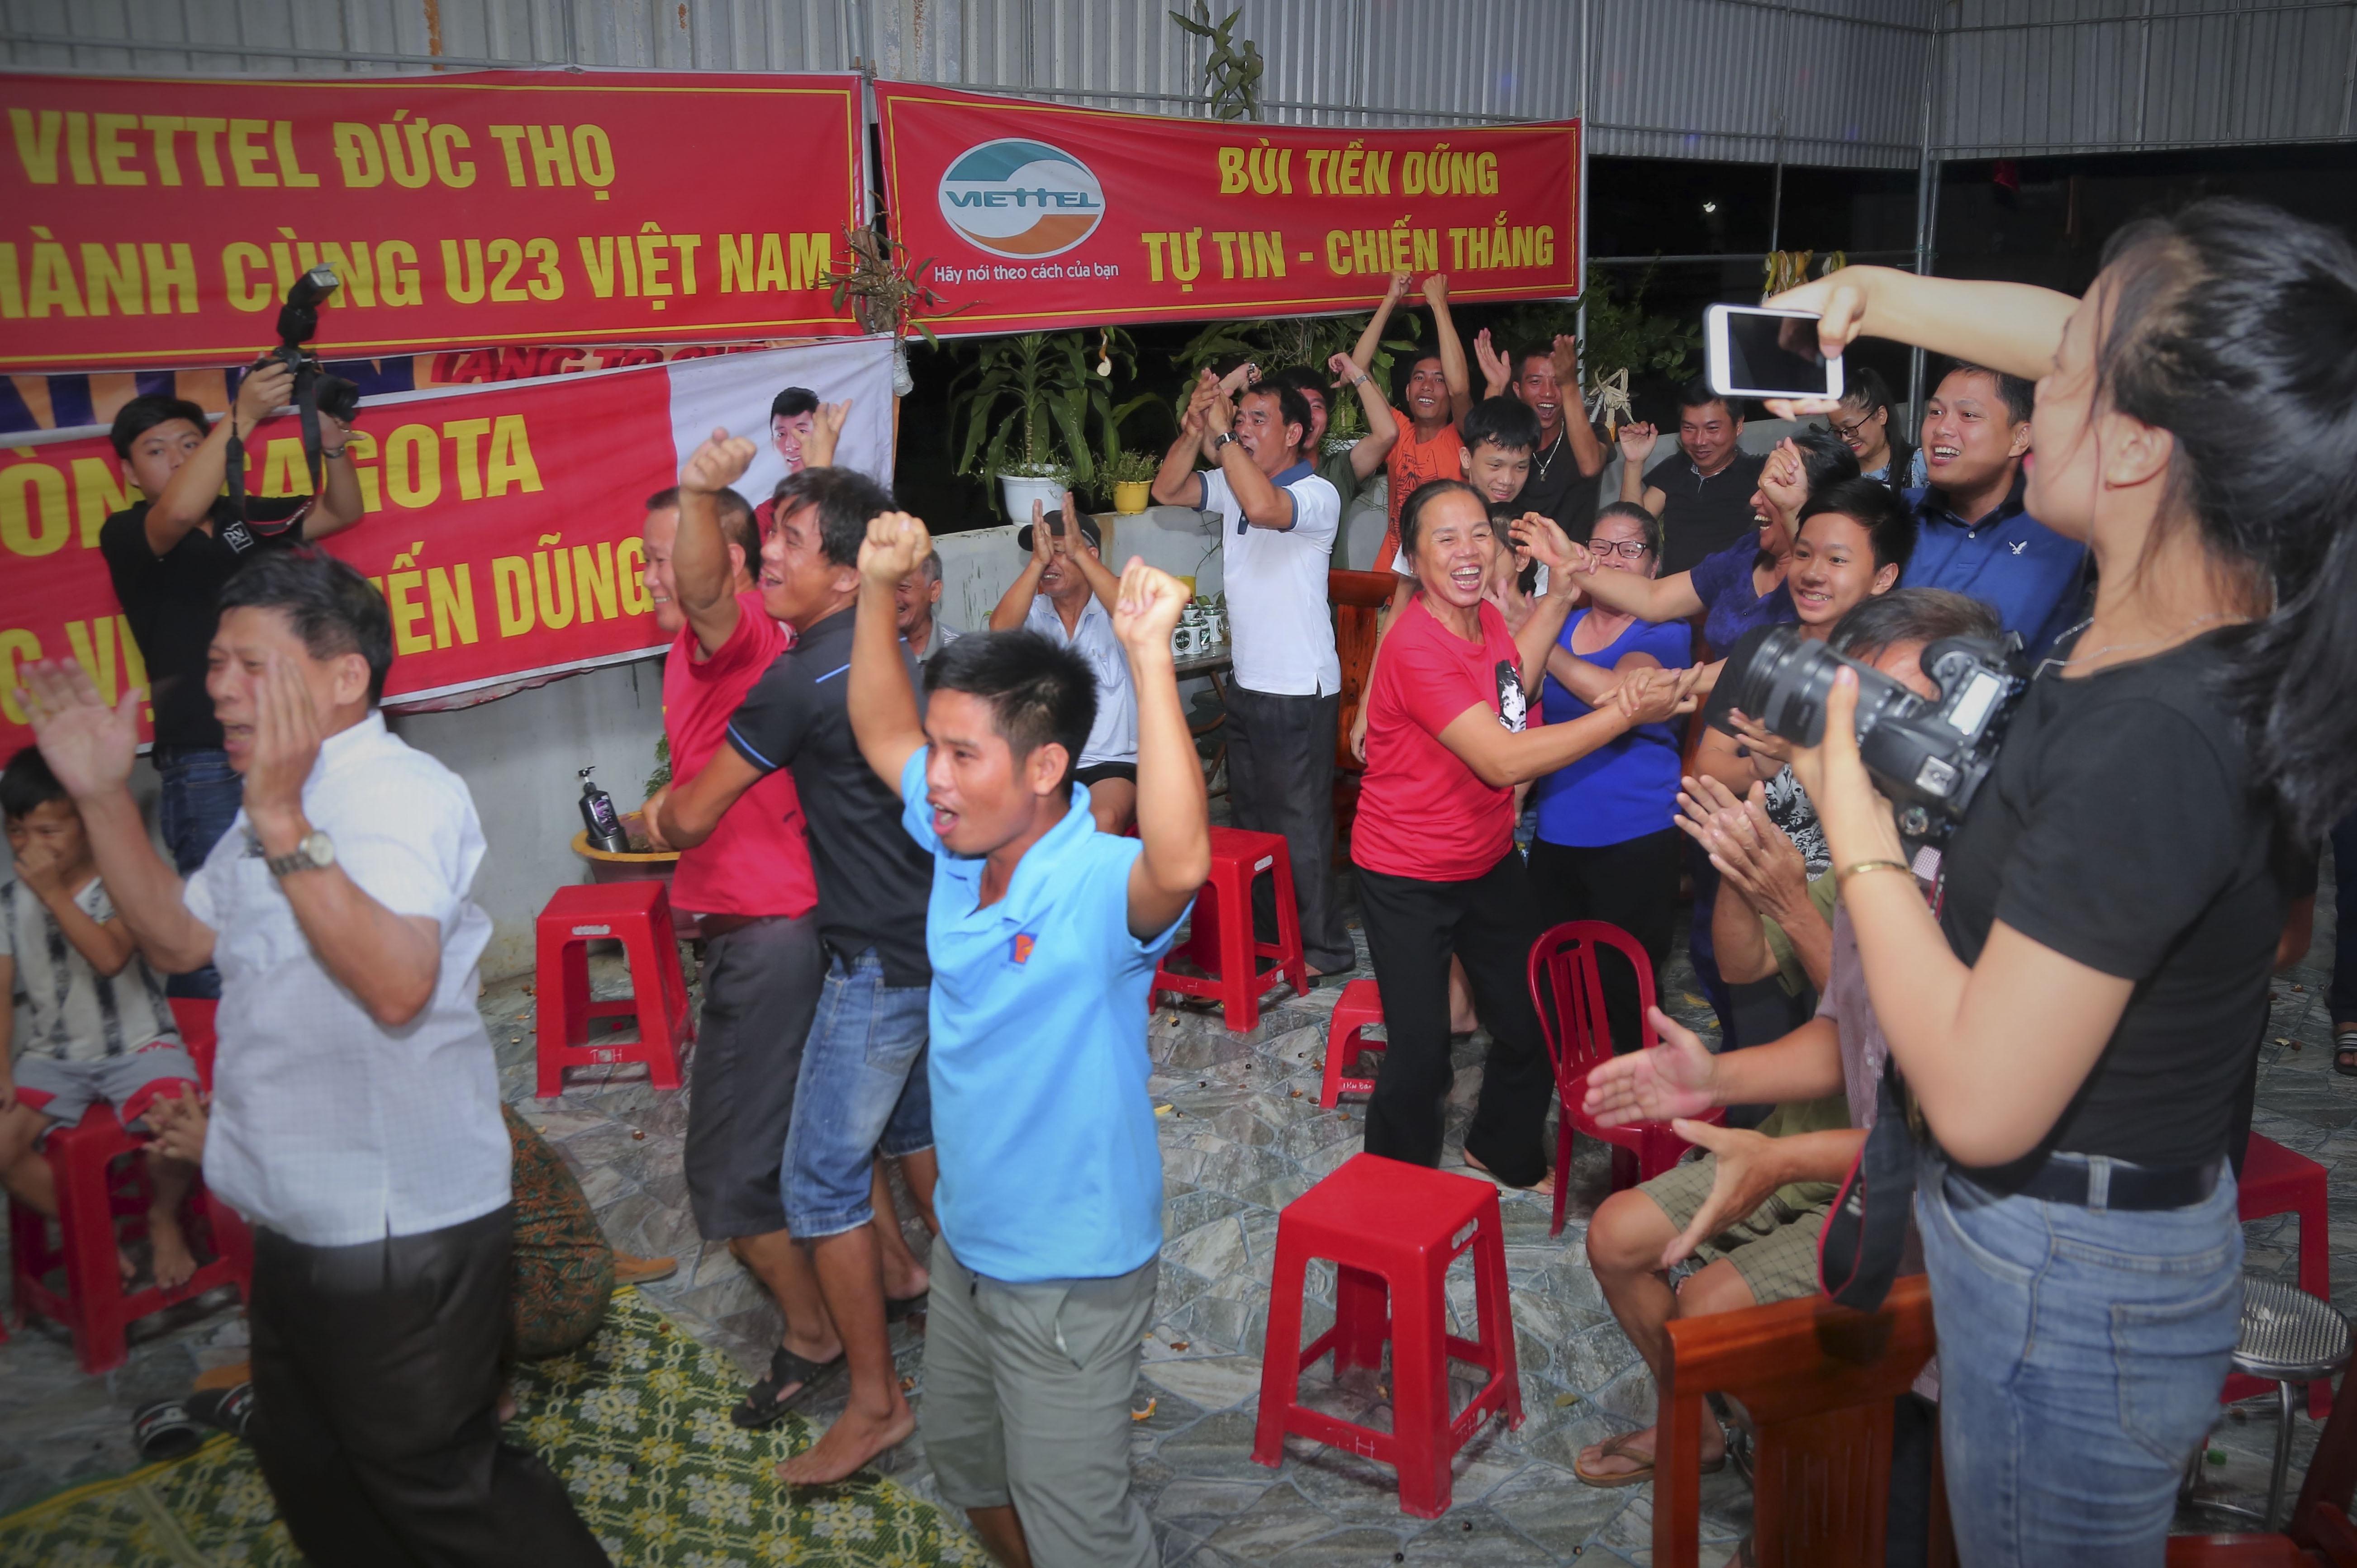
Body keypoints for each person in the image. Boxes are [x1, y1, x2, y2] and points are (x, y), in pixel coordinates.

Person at [1753, 200, 2357, 1563]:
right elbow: (2077, 342)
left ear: (2140, 442)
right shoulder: (2216, 606)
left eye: (2062, 376)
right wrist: (1880, 289)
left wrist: (1843, 804)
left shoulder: (2149, 727)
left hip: (2066, 1291)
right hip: (2080, 1254)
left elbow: (1975, 1096)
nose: (2029, 392)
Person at [15, 550, 606, 1564]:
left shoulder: (395, 791)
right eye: (212, 664)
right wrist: (106, 798)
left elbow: (395, 982)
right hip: (297, 1207)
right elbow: (179, 940)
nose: (218, 688)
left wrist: (287, 822)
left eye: (249, 663)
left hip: (397, 1225)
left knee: (437, 1482)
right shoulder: (273, 798)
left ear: (345, 677)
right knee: (310, 1458)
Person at [1572, 592, 1997, 1556]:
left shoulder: (1984, 878)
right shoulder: (1877, 854)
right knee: (1618, 1234)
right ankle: (1752, 1445)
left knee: (1720, 1323)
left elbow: (1949, 1128)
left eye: (1902, 702)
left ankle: (1788, 1466)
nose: (1871, 729)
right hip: (1849, 1152)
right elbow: (1841, 1033)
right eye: (1859, 701)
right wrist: (1707, 1075)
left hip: (1928, 1212)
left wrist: (1779, 1157)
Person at [844, 509, 1207, 1568]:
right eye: (941, 750)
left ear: (1046, 767)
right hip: (969, 1243)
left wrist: (1149, 662)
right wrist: (873, 589)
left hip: (1069, 1271)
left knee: (1082, 1528)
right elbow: (879, 729)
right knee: (969, 1466)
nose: (937, 776)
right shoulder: (963, 841)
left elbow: (1179, 865)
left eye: (963, 753)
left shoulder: (1089, 878)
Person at [657, 464, 933, 1485]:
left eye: (790, 539)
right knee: (915, 1142)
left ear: (847, 571)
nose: (769, 552)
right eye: (770, 533)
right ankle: (996, 1331)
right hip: (918, 941)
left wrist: (654, 817)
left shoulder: (794, 677)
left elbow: (691, 815)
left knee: (818, 1185)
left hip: (870, 959)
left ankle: (875, 1405)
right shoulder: (885, 651)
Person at [1350, 480, 1694, 1189]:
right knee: (1420, 1056)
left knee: (1534, 1015)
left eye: (1478, 532)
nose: (1467, 549)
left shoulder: (1486, 620)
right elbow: (1502, 757)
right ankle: (1393, 1189)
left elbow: (1515, 686)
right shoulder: (1417, 644)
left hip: (1486, 860)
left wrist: (1562, 594)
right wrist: (1620, 712)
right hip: (1406, 872)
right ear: (1413, 557)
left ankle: (1500, 1147)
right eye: (1444, 538)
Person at [633, 454, 863, 1436]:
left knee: (732, 1174)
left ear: (726, 559)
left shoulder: (735, 637)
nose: (652, 578)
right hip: (771, 921)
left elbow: (697, 582)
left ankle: (817, 1335)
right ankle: (879, 1286)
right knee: (814, 1139)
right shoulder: (724, 649)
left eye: (663, 556)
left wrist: (694, 494)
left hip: (769, 933)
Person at [98, 375, 364, 999]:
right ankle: (213, 1076)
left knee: (303, 900)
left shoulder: (244, 516)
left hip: (285, 744)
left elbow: (342, 511)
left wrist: (331, 448)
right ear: (130, 472)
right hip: (203, 752)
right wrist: (239, 418)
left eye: (191, 443)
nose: (180, 458)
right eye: (157, 450)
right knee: (216, 926)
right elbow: (181, 510)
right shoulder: (130, 532)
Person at [1151, 371, 1354, 979]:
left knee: (1300, 825)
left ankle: (1322, 949)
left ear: (1293, 433)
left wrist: (1221, 438)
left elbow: (1265, 508)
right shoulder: (1231, 480)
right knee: (1254, 823)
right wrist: (1195, 428)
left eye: (1255, 420)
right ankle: (1270, 936)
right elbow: (1166, 488)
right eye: (1239, 420)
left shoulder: (1316, 492)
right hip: (1249, 680)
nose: (1242, 428)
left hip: (1298, 686)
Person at [0, 746, 204, 1289]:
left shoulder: (120, 885)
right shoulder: (9, 900)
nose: (30, 846)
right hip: (54, 1057)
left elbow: (111, 958)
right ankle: (94, 1234)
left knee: (178, 1122)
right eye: (17, 831)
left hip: (140, 1045)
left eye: (48, 830)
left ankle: (162, 1216)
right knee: (2, 1142)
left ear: (87, 824)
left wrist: (51, 895)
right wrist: (1, 1068)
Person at [1525, 503, 1693, 1057]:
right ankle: (1576, 1088)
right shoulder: (1564, 619)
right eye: (1598, 547)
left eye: (1628, 549)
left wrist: (1541, 644)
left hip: (1634, 833)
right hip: (1556, 827)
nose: (1610, 560)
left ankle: (1650, 1115)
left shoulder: (1664, 632)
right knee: (1557, 974)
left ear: (1654, 567)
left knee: (1629, 985)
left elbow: (1621, 695)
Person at [1352, 395, 1548, 762]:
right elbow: (1397, 616)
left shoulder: (1532, 534)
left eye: (1520, 467)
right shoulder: (1430, 523)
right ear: (1466, 460)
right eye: (1495, 464)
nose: (1507, 480)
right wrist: (1368, 702)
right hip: (1436, 693)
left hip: (1512, 693)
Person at [1900, 364, 2084, 655]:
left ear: (2021, 438)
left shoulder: (2069, 527)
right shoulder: (1896, 514)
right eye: (1935, 412)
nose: (1942, 429)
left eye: (1968, 415)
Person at [988, 495, 1138, 835]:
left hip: (1111, 765)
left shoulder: (1114, 609)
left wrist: (1082, 557)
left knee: (1099, 824)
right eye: (1041, 551)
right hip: (1045, 761)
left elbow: (1135, 615)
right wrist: (1036, 565)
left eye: (1058, 550)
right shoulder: (1034, 612)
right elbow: (999, 629)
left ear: (1089, 556)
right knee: (1006, 824)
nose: (1047, 562)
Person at [1347, 270, 1474, 571]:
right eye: (1420, 378)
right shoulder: (1396, 432)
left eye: (1438, 379)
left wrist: (1440, 306)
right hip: (1392, 573)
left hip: (1445, 575)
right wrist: (1391, 298)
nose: (1427, 386)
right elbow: (1359, 367)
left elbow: (1460, 389)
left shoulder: (1463, 437)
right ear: (1407, 391)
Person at [1616, 381, 1769, 577]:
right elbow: (1630, 531)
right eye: (1689, 429)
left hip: (1735, 600)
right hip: (1672, 600)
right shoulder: (1675, 469)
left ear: (1739, 425)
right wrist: (1634, 462)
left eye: (1712, 429)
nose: (1699, 441)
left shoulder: (1759, 474)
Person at [1263, 353, 1397, 564]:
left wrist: (1356, 375)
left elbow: (1387, 434)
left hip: (1326, 597)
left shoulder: (1338, 471)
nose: (1307, 415)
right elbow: (1215, 447)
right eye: (1298, 405)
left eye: (1317, 406)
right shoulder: (1258, 472)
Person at [1476, 330, 1610, 539]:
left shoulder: (1592, 435)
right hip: (1517, 562)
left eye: (1557, 382)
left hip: (1571, 564)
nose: (1548, 393)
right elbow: (1480, 459)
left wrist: (1569, 383)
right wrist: (1494, 388)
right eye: (1536, 382)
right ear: (1518, 390)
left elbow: (1590, 466)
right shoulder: (1510, 443)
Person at [753, 391, 842, 538]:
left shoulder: (848, 504)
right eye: (781, 435)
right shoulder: (765, 514)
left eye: (802, 431)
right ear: (772, 441)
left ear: (822, 435)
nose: (790, 445)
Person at [1830, 365, 1913, 485]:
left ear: (1881, 416)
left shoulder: (1919, 465)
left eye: (1851, 428)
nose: (1845, 438)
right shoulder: (1836, 473)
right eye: (1836, 430)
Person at [899, 549, 963, 662]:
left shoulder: (961, 654)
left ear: (934, 591)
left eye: (903, 587)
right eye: (887, 588)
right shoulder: (866, 651)